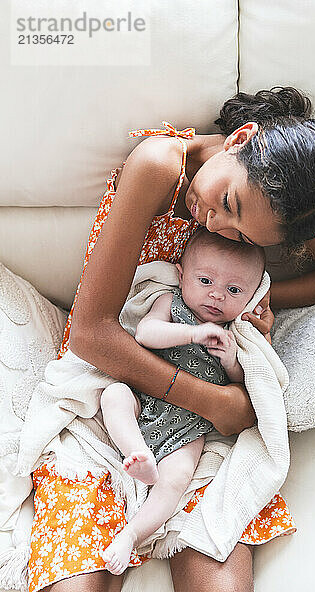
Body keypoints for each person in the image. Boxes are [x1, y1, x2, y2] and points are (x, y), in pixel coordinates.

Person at [28, 86, 315, 592]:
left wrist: (261, 303)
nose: (216, 223)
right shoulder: (161, 165)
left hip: (195, 422)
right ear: (242, 139)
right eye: (228, 202)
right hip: (112, 380)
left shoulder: (288, 207)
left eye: (246, 239)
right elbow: (92, 334)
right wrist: (217, 402)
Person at [99, 228, 266, 575]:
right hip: (145, 402)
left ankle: (132, 535)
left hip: (189, 429)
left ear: (251, 296)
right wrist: (191, 332)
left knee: (176, 479)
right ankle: (137, 453)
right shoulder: (171, 304)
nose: (216, 296)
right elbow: (145, 333)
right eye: (204, 280)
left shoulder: (237, 330)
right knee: (113, 396)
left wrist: (232, 359)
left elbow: (245, 385)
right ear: (181, 274)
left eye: (233, 291)